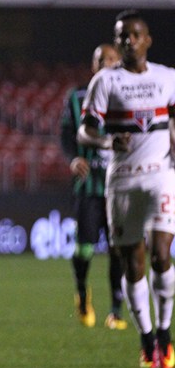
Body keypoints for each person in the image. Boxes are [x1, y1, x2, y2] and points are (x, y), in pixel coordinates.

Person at [78, 9, 175, 368]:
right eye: (123, 36)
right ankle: (147, 337)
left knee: (161, 253)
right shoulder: (105, 81)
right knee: (132, 262)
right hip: (122, 181)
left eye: (135, 35)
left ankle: (165, 332)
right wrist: (106, 141)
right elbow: (85, 131)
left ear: (147, 40)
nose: (129, 41)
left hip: (161, 175)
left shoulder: (168, 78)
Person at [60, 43, 127, 330]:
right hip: (88, 187)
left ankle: (116, 308)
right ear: (93, 66)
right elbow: (65, 133)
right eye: (101, 60)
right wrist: (73, 157)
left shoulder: (129, 96)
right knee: (85, 248)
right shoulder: (77, 97)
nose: (107, 64)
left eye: (112, 59)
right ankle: (82, 290)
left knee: (118, 250)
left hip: (119, 186)